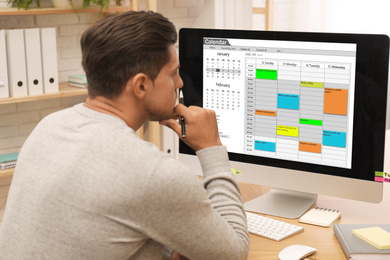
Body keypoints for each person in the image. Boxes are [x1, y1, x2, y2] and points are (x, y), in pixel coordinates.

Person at [0, 11, 249, 260]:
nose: (180, 83)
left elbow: (92, 229)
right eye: (173, 72)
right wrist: (211, 147)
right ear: (141, 85)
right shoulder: (152, 174)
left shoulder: (49, 126)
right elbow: (234, 252)